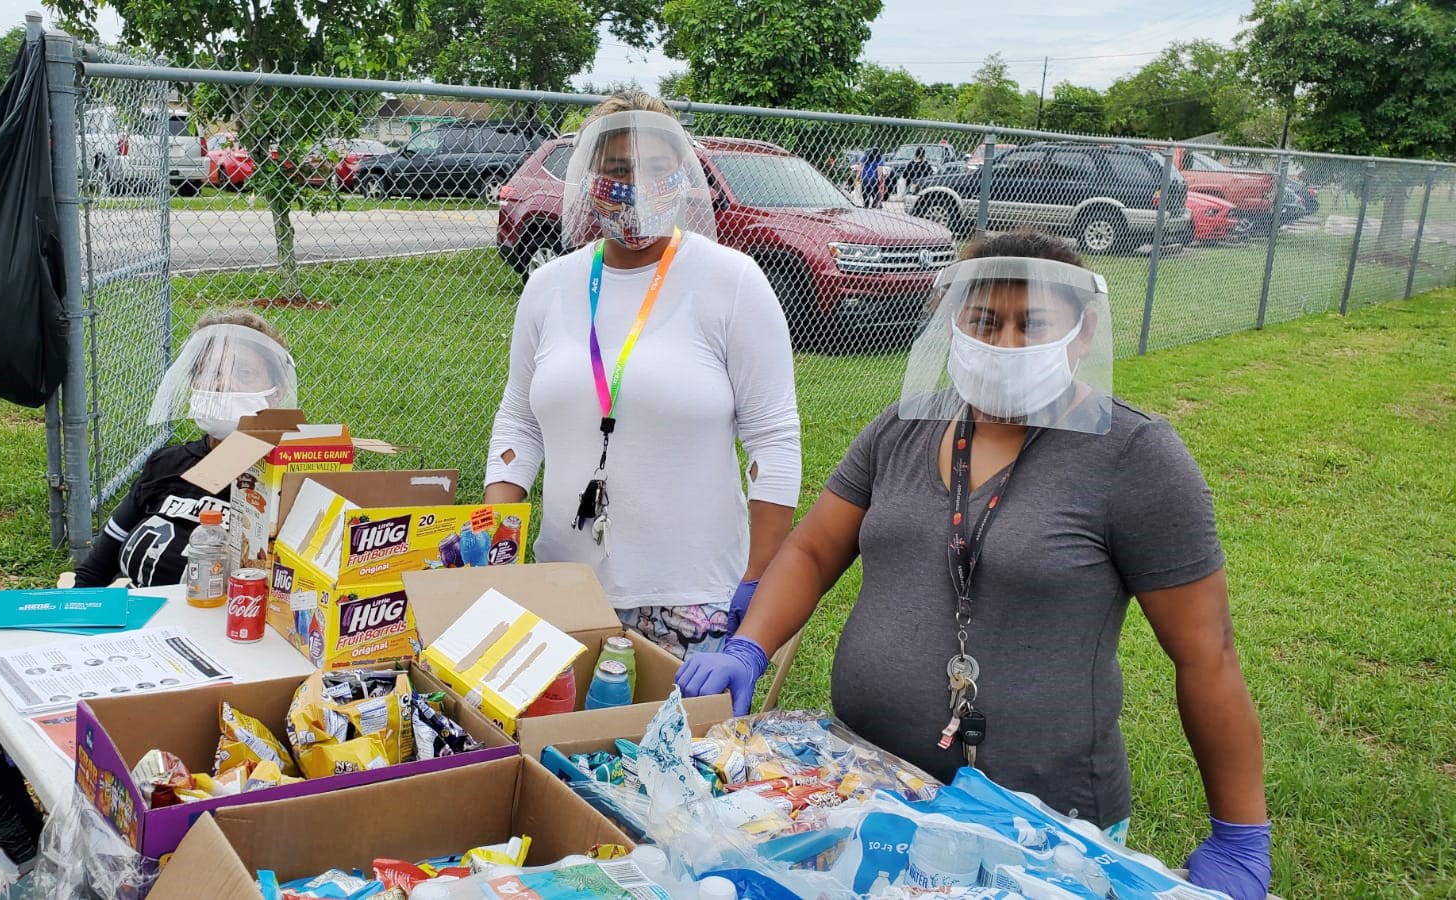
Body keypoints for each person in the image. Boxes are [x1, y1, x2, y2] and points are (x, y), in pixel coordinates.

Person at [676, 232, 1271, 899]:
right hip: (864, 786)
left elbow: (1207, 653)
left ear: (1083, 332)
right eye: (985, 321)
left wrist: (1240, 834)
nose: (1007, 344)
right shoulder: (901, 429)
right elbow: (814, 551)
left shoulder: (1136, 458)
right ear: (951, 322)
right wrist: (749, 646)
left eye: (1033, 323)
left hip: (1042, 831)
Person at [0, 311, 296, 886]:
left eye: (241, 370)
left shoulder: (294, 479)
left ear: (276, 387)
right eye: (211, 368)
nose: (221, 382)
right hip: (119, 649)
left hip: (214, 671)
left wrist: (273, 454)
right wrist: (57, 630)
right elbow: (98, 565)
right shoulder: (169, 465)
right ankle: (30, 860)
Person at [484, 90, 801, 659]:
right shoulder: (549, 286)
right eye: (618, 168)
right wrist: (495, 543)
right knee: (560, 744)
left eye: (658, 166)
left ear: (683, 172)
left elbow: (773, 436)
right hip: (563, 591)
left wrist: (759, 583)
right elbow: (519, 421)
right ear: (587, 178)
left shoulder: (732, 280)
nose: (638, 182)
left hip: (694, 600)